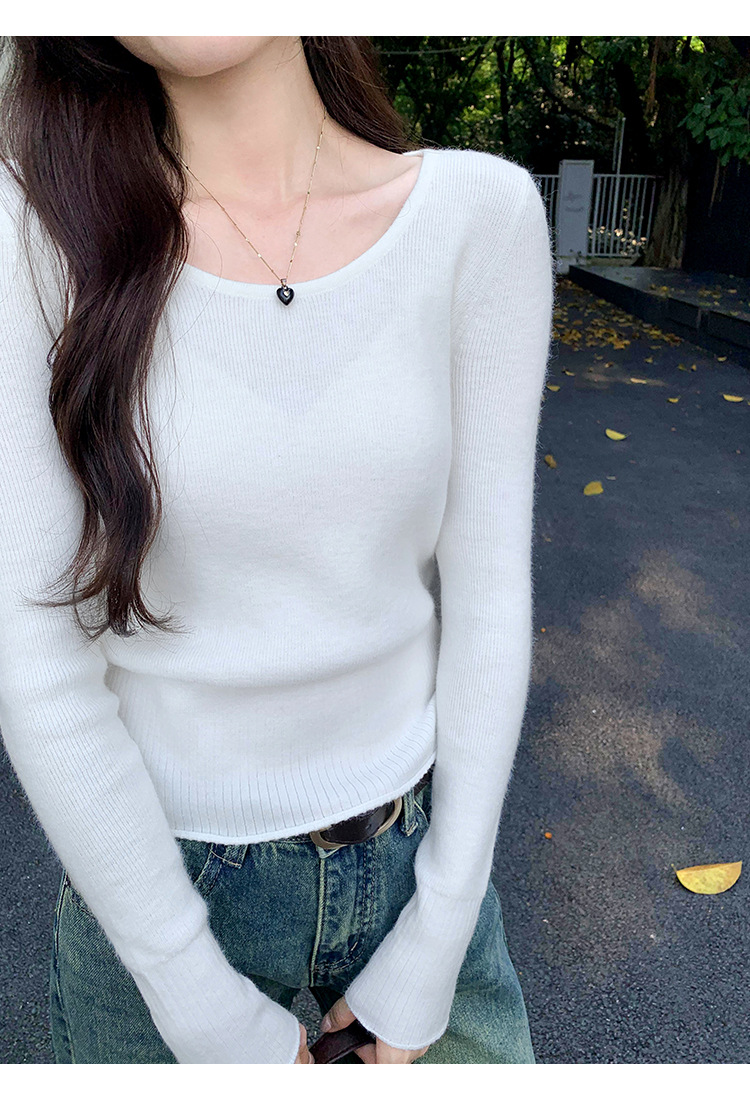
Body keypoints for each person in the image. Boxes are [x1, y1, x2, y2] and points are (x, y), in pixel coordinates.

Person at [0, 36, 553, 1064]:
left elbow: (488, 595)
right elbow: (35, 656)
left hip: (419, 867)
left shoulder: (480, 218)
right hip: (156, 889)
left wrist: (438, 933)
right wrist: (199, 1005)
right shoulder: (35, 233)